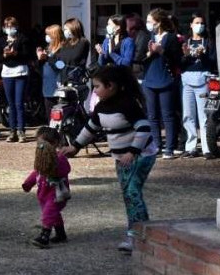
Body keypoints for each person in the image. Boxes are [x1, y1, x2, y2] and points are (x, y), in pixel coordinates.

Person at [61, 66, 157, 253]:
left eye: (97, 86)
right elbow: (90, 129)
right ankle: (139, 233)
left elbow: (144, 129)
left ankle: (138, 236)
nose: (94, 91)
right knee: (128, 195)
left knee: (132, 192)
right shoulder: (101, 107)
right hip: (121, 158)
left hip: (141, 155)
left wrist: (132, 151)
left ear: (111, 86)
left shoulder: (128, 104)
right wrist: (75, 146)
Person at [22, 126, 71, 249]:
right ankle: (61, 234)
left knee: (48, 214)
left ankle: (44, 236)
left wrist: (53, 166)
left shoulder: (59, 158)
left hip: (57, 195)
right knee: (53, 214)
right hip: (44, 194)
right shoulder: (42, 160)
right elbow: (36, 172)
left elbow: (65, 170)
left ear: (54, 143)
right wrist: (28, 183)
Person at [143, 8, 182, 159]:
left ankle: (170, 148)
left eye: (150, 22)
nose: (148, 25)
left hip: (166, 79)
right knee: (152, 116)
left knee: (168, 115)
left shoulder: (171, 38)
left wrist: (161, 51)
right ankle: (156, 145)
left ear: (158, 23)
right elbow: (140, 58)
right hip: (149, 79)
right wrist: (149, 53)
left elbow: (177, 60)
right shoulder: (149, 37)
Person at [180, 14, 216, 160]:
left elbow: (214, 61)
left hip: (203, 79)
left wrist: (204, 55)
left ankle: (207, 148)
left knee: (204, 115)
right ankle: (191, 147)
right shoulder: (185, 42)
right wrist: (186, 56)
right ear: (191, 25)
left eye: (201, 23)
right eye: (196, 22)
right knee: (188, 115)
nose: (199, 25)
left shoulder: (209, 42)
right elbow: (180, 63)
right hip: (187, 80)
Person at [0, 16, 30, 143]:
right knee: (10, 104)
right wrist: (4, 55)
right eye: (7, 26)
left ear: (16, 27)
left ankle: (21, 130)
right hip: (7, 73)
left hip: (20, 72)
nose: (9, 29)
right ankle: (12, 131)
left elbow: (27, 55)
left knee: (19, 103)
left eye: (12, 26)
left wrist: (16, 53)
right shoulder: (1, 40)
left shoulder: (22, 38)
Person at [37, 25, 65, 116]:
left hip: (58, 87)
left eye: (49, 35)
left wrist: (48, 58)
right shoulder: (48, 48)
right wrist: (40, 58)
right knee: (49, 116)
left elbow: (61, 65)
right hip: (47, 88)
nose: (47, 37)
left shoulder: (63, 49)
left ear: (55, 36)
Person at [125, 14, 150, 81]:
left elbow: (138, 55)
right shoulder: (128, 36)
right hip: (131, 73)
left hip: (139, 74)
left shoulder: (142, 36)